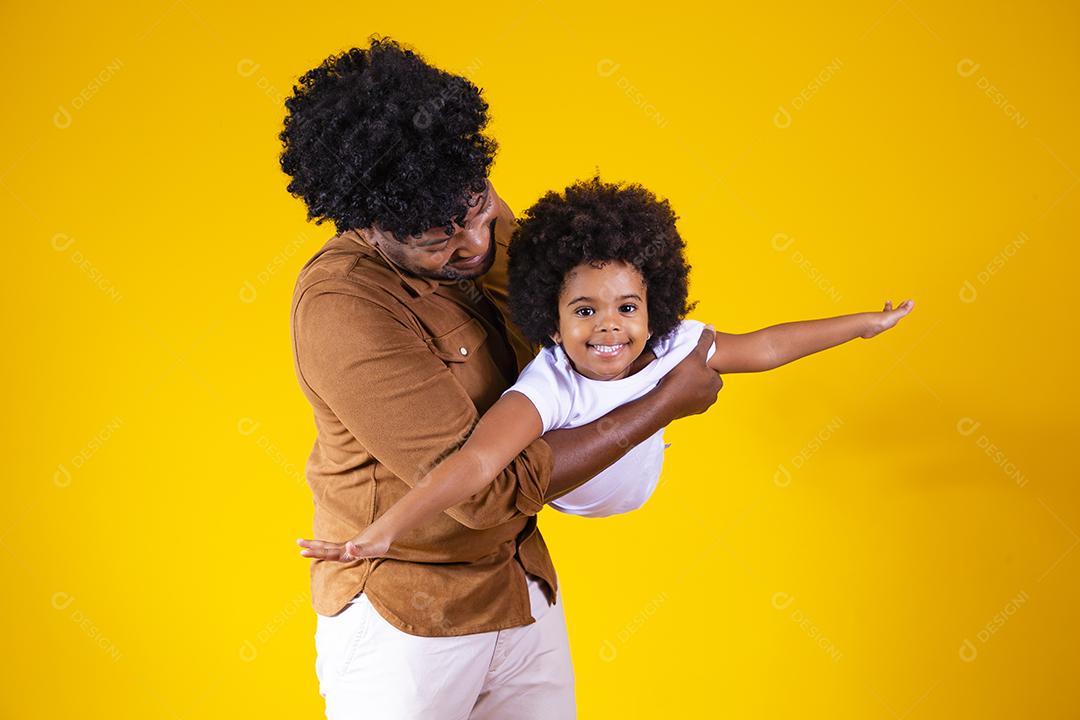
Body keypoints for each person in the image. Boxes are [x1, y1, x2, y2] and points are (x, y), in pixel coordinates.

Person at [282, 38, 721, 719]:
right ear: (371, 227)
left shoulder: (465, 211)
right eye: (439, 239)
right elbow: (484, 492)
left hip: (518, 585)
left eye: (479, 210)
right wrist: (663, 404)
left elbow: (578, 326)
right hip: (403, 620)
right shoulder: (345, 310)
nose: (476, 243)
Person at [299, 177, 916, 563]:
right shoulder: (551, 382)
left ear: (654, 308)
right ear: (550, 316)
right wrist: (386, 528)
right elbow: (478, 464)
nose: (608, 328)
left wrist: (862, 325)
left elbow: (765, 347)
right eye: (584, 311)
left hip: (636, 486)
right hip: (576, 501)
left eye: (627, 308)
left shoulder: (671, 341)